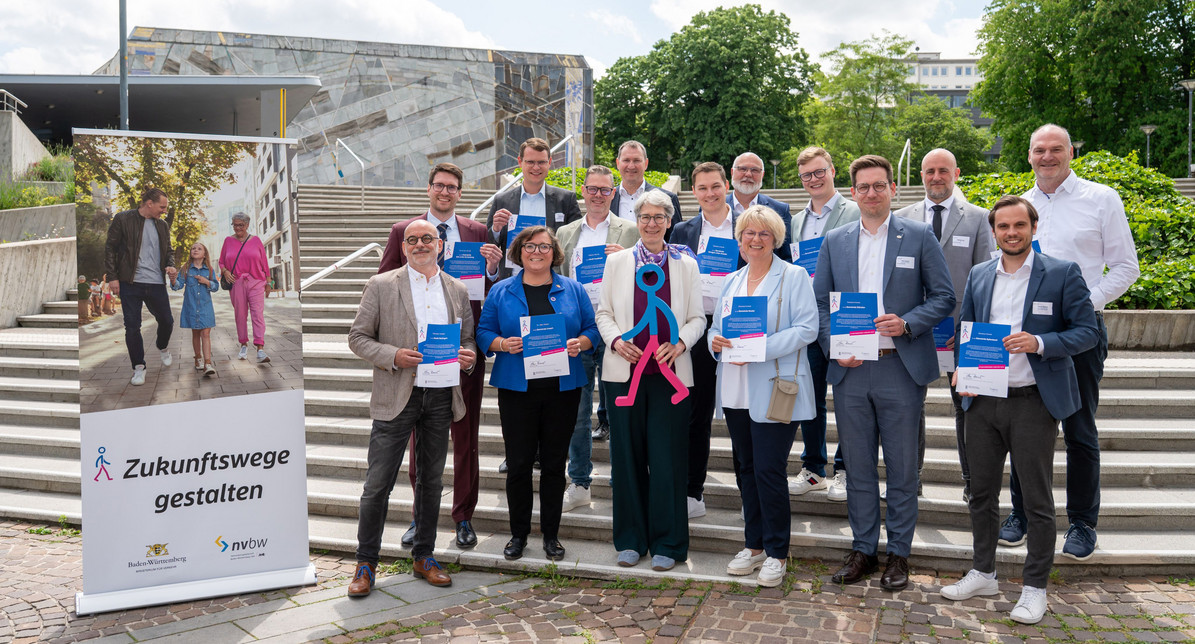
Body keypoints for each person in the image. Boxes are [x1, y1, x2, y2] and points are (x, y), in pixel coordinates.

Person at [940, 195, 1098, 624]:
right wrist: (961, 369)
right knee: (982, 493)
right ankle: (984, 571)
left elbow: (1087, 331)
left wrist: (1041, 342)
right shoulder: (979, 273)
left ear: (1033, 227)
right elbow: (966, 327)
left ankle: (1034, 588)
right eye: (1003, 227)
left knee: (1037, 499)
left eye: (1019, 226)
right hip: (983, 400)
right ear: (993, 232)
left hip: (1032, 401)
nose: (1011, 233)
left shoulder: (1062, 273)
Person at [998, 124, 1140, 560]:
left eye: (1055, 149)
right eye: (1038, 150)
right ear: (1028, 156)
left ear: (1071, 152)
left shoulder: (1101, 199)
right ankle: (1021, 514)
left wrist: (1080, 305)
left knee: (1080, 431)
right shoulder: (1021, 206)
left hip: (1079, 337)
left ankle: (1082, 522)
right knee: (1024, 430)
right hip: (1028, 339)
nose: (1047, 156)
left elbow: (1125, 267)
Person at [813, 155, 954, 591]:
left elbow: (945, 297)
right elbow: (819, 305)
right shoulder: (834, 240)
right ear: (852, 192)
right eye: (864, 187)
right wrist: (835, 346)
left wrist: (908, 322)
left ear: (893, 188)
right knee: (857, 466)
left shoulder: (918, 235)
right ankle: (863, 549)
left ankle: (899, 554)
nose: (871, 193)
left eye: (879, 185)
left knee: (902, 467)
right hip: (852, 370)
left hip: (900, 367)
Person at [346, 218, 477, 595]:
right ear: (404, 247)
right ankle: (365, 564)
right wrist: (392, 355)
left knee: (432, 482)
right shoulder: (382, 284)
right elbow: (357, 337)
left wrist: (467, 357)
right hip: (397, 394)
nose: (420, 244)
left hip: (439, 394)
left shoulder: (456, 288)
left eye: (428, 239)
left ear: (440, 245)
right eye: (413, 240)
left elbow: (465, 337)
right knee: (377, 484)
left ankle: (424, 555)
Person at [378, 162, 503, 551]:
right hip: (417, 354)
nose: (445, 192)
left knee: (465, 438)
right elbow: (383, 286)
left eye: (452, 187)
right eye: (439, 185)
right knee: (420, 440)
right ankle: (421, 516)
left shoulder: (477, 232)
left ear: (460, 193)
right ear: (429, 189)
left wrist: (494, 269)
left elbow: (485, 291)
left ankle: (463, 516)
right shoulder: (404, 232)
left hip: (462, 352)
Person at [596, 190, 706, 571]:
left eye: (660, 216)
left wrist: (680, 342)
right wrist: (615, 340)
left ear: (670, 221)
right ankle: (630, 540)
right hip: (623, 373)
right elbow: (604, 312)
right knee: (626, 458)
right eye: (645, 216)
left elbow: (698, 318)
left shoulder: (685, 265)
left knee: (668, 458)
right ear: (636, 219)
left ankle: (669, 543)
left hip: (671, 376)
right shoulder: (617, 263)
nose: (652, 223)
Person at [709, 205, 818, 588]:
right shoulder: (732, 280)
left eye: (763, 234)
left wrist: (761, 347)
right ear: (738, 239)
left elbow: (808, 328)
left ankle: (777, 552)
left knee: (769, 471)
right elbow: (717, 330)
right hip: (736, 387)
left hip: (774, 385)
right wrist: (716, 343)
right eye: (748, 234)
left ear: (776, 240)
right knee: (746, 470)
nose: (755, 240)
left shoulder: (793, 275)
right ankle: (753, 546)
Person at [476, 225, 599, 562]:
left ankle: (551, 535)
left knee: (555, 464)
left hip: (562, 388)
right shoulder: (502, 290)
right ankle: (518, 534)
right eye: (530, 246)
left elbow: (592, 329)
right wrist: (501, 343)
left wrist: (581, 343)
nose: (537, 252)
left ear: (554, 253)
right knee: (518, 463)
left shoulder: (572, 289)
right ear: (519, 251)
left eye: (544, 247)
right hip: (517, 389)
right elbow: (483, 332)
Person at [895, 148, 996, 501]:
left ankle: (973, 483)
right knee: (910, 408)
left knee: (968, 409)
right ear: (921, 175)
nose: (935, 177)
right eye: (929, 171)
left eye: (943, 170)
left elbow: (987, 281)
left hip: (960, 335)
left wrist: (970, 332)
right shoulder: (901, 218)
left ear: (956, 173)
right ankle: (912, 480)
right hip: (913, 333)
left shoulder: (980, 218)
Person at [555, 165, 640, 511]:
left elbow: (649, 274)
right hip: (578, 330)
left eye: (606, 190)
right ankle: (579, 482)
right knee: (576, 412)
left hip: (618, 329)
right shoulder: (565, 233)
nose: (598, 196)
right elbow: (556, 279)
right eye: (592, 189)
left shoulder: (631, 231)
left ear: (613, 194)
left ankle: (623, 480)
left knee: (621, 409)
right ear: (584, 192)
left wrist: (628, 258)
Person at [787, 146, 861, 502]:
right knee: (810, 397)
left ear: (833, 171)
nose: (814, 180)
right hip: (809, 317)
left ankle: (846, 469)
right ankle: (814, 468)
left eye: (819, 172)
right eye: (806, 176)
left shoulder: (855, 211)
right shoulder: (796, 220)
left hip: (845, 314)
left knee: (846, 398)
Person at [105, 188, 178, 386]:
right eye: (162, 207)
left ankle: (162, 346)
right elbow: (110, 247)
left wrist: (170, 264)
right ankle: (139, 367)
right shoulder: (123, 219)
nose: (164, 211)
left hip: (155, 282)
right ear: (149, 203)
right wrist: (112, 277)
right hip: (130, 282)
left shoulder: (162, 225)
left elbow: (169, 251)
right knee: (132, 326)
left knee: (167, 321)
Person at [486, 137, 583, 280]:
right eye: (530, 162)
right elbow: (489, 245)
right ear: (520, 162)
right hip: (512, 282)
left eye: (541, 162)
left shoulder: (565, 200)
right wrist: (496, 230)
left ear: (549, 163)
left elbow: (576, 241)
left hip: (552, 282)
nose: (536, 167)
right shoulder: (502, 200)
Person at [220, 212, 271, 363]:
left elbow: (264, 262)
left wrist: (268, 282)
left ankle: (260, 348)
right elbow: (221, 262)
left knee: (257, 314)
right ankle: (243, 344)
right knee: (240, 315)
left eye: (240, 225)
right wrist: (226, 271)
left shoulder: (255, 241)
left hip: (256, 281)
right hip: (236, 282)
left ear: (247, 225)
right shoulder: (228, 241)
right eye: (234, 225)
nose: (237, 228)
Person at [727, 152, 792, 260]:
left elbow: (787, 257)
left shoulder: (780, 210)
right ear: (732, 172)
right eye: (742, 169)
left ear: (762, 175)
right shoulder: (717, 208)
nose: (748, 174)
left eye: (755, 170)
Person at [608, 140, 684, 234]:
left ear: (646, 163)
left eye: (637, 160)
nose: (631, 166)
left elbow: (676, 239)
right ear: (618, 163)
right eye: (626, 160)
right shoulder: (607, 198)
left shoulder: (669, 199)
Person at [171, 242, 220, 375]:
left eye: (199, 248)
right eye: (193, 248)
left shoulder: (209, 269)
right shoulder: (186, 269)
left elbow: (216, 287)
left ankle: (208, 363)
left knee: (206, 333)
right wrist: (174, 280)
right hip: (191, 306)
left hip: (205, 307)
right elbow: (178, 286)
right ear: (190, 253)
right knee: (196, 333)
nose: (195, 250)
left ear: (204, 255)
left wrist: (207, 282)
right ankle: (198, 357)